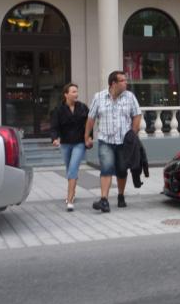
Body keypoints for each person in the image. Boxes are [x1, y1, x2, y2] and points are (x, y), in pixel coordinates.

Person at [85, 70, 142, 213]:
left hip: (124, 142)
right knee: (106, 168)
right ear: (113, 84)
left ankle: (121, 195)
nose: (126, 82)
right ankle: (104, 200)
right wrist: (87, 136)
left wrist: (133, 134)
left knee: (122, 170)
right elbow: (91, 118)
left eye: (125, 80)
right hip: (105, 140)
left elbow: (137, 115)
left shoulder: (130, 97)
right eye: (123, 80)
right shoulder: (98, 97)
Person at [50, 83, 89, 212]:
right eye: (73, 92)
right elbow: (54, 127)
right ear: (66, 94)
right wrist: (55, 138)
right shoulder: (58, 110)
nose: (76, 94)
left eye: (76, 91)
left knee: (72, 168)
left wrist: (89, 137)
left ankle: (70, 199)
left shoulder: (83, 107)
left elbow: (89, 124)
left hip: (79, 143)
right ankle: (73, 191)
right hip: (65, 144)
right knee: (69, 169)